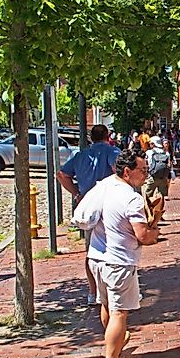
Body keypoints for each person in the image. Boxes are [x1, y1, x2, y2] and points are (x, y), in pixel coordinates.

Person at [99, 148, 161, 358]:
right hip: (121, 260)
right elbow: (142, 235)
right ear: (127, 172)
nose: (146, 175)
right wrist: (155, 231)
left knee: (107, 306)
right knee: (119, 314)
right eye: (143, 170)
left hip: (102, 257)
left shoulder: (107, 188)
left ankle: (113, 352)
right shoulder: (132, 197)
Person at [57, 124, 121, 305]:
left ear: (91, 138)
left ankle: (93, 292)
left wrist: (77, 194)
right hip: (109, 205)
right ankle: (111, 289)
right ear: (107, 136)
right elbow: (119, 169)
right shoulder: (112, 151)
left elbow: (61, 175)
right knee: (114, 247)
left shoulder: (80, 155)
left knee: (91, 251)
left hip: (88, 206)